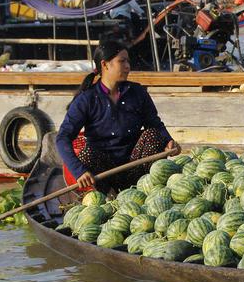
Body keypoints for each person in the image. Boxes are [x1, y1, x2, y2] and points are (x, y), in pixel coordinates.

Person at [56, 40, 180, 193]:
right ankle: (109, 195)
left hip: (136, 167)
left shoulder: (137, 92)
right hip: (105, 174)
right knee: (86, 154)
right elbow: (63, 138)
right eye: (122, 61)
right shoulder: (87, 99)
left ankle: (146, 188)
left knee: (153, 135)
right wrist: (78, 171)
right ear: (105, 64)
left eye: (128, 61)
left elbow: (154, 123)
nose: (128, 66)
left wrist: (169, 141)